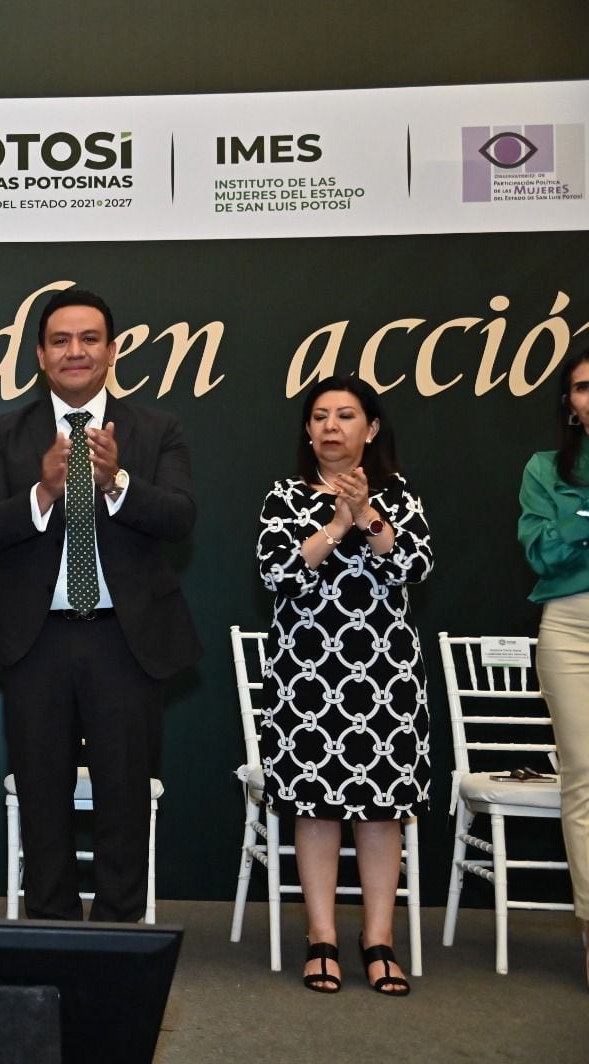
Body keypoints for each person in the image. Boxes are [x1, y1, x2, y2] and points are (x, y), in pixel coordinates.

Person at [0, 287, 198, 924]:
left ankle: (119, 937)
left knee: (125, 797)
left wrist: (117, 479)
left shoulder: (156, 429)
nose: (76, 351)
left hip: (126, 639)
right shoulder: (6, 431)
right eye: (61, 341)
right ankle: (52, 931)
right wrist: (43, 489)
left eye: (89, 339)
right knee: (42, 798)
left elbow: (179, 518)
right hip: (36, 639)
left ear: (111, 350)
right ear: (40, 355)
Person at [256, 375, 433, 996]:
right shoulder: (283, 496)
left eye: (346, 415)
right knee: (316, 806)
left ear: (371, 429)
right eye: (321, 416)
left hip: (386, 676)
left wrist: (368, 515)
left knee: (384, 810)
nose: (332, 426)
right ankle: (323, 937)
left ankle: (378, 938)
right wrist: (336, 522)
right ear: (308, 430)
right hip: (307, 675)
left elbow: (416, 563)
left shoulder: (400, 494)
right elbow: (277, 572)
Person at [517, 345, 589, 989]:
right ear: (569, 402)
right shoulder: (545, 467)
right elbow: (543, 551)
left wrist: (578, 519)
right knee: (584, 779)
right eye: (584, 387)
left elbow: (566, 532)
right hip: (571, 624)